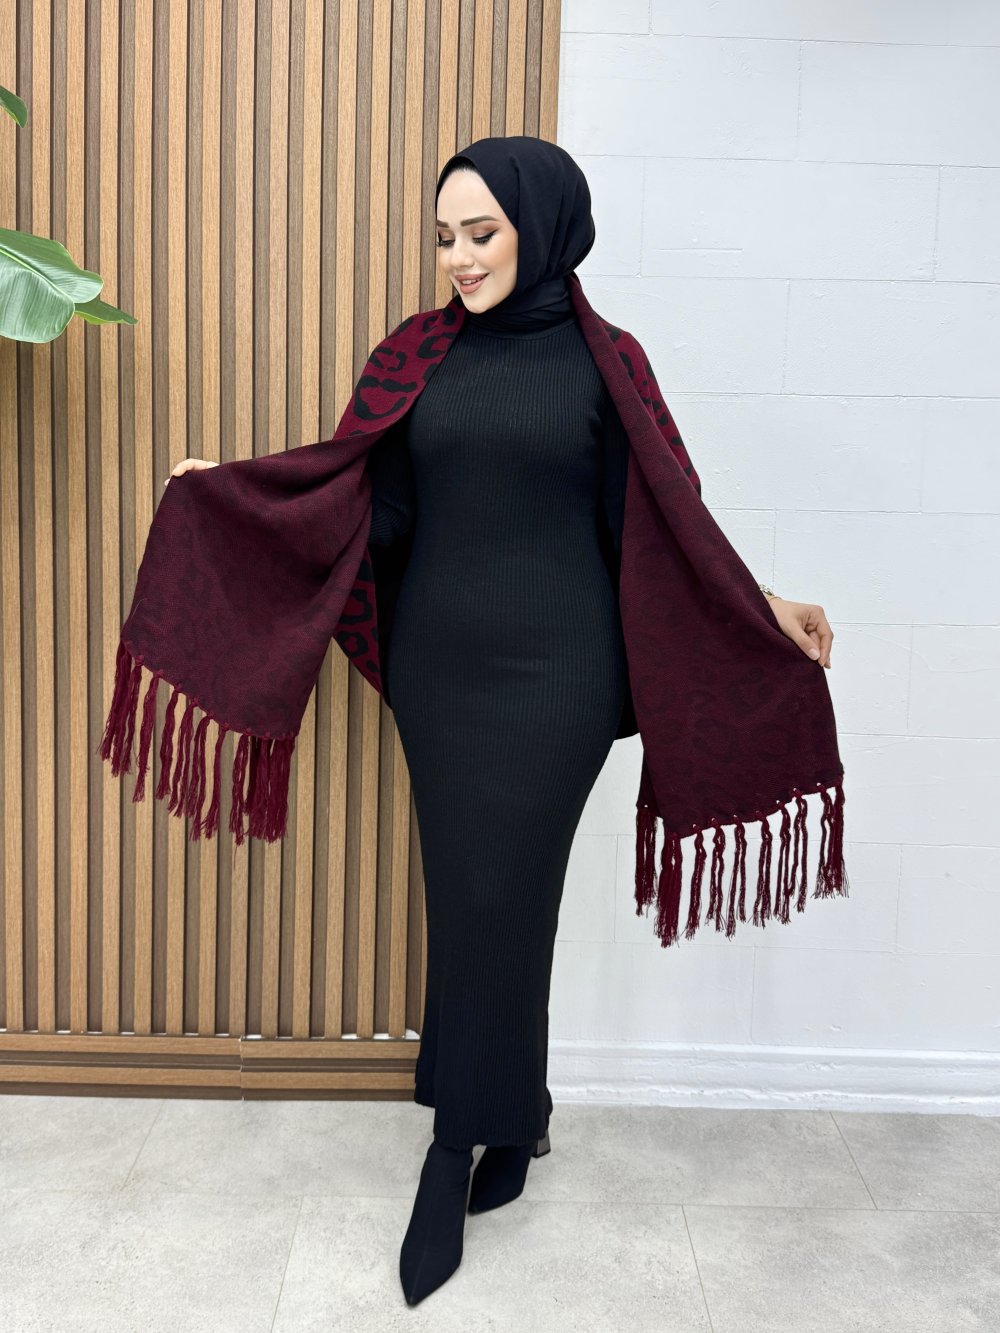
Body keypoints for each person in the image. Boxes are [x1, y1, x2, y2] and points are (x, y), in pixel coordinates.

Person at [163, 136, 835, 1308]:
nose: (459, 258)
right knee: (477, 896)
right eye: (444, 237)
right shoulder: (414, 356)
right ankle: (514, 1115)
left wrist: (759, 601)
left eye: (481, 233)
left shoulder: (609, 363)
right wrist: (235, 493)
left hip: (561, 677)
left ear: (543, 226)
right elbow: (362, 505)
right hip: (440, 676)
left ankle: (451, 1144)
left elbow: (664, 520)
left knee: (501, 893)